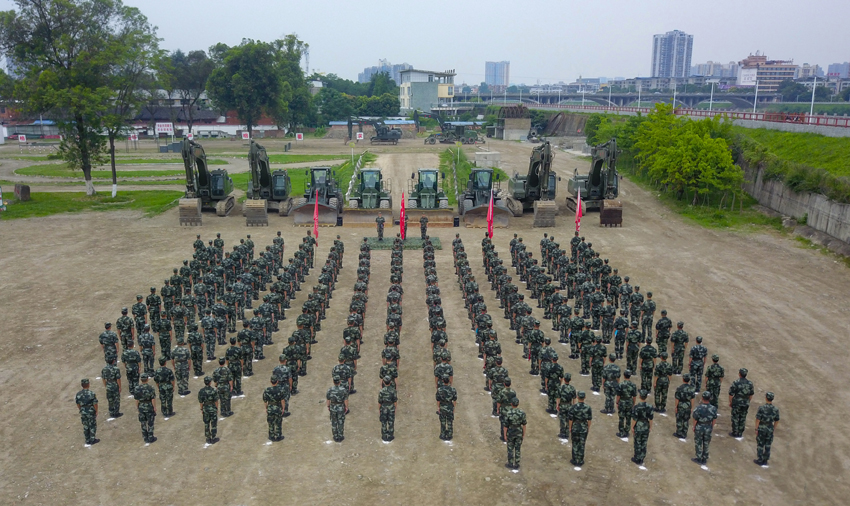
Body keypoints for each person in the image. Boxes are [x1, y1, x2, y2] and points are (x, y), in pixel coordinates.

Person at [692, 391, 718, 465]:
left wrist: (694, 426)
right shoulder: (713, 408)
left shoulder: (698, 408)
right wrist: (711, 426)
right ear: (710, 398)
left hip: (700, 426)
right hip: (708, 426)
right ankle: (705, 458)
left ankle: (699, 457)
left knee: (698, 442)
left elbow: (695, 418)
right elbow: (714, 418)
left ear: (702, 398)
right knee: (706, 443)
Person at [754, 392, 780, 466]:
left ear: (766, 398)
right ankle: (765, 460)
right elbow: (777, 420)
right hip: (770, 428)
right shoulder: (775, 409)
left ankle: (760, 459)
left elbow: (758, 419)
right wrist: (773, 428)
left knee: (760, 444)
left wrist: (756, 428)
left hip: (762, 428)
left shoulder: (761, 408)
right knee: (768, 445)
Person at [568, 391, 593, 467]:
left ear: (577, 397)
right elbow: (589, 419)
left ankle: (575, 459)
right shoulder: (588, 408)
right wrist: (588, 428)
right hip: (584, 427)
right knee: (582, 444)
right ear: (584, 397)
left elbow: (570, 419)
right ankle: (580, 460)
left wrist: (570, 427)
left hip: (575, 426)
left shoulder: (573, 407)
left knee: (575, 443)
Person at [728, 368, 754, 438]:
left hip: (737, 403)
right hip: (745, 403)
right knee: (743, 417)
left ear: (739, 374)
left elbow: (731, 394)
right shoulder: (750, 383)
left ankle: (735, 432)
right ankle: (740, 432)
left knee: (735, 417)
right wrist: (747, 401)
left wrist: (731, 402)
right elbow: (751, 395)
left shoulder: (736, 382)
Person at [631, 390, 654, 466]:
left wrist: (632, 427)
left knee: (637, 442)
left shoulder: (637, 407)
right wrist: (650, 427)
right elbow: (651, 418)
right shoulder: (650, 407)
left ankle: (637, 458)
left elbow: (634, 419)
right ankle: (642, 457)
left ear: (639, 396)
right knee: (644, 443)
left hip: (638, 425)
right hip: (646, 425)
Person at [503, 397, 527, 470]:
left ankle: (510, 463)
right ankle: (517, 463)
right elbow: (524, 424)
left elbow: (505, 426)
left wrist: (505, 435)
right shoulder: (522, 413)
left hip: (511, 432)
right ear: (518, 404)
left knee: (510, 448)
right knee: (517, 448)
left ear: (511, 404)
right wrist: (523, 434)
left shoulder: (508, 413)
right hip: (519, 431)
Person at [134, 373, 157, 443]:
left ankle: (145, 437)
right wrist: (154, 407)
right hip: (149, 406)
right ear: (147, 379)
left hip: (141, 406)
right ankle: (150, 437)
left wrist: (138, 407)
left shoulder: (137, 388)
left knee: (143, 423)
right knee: (150, 423)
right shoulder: (151, 388)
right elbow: (153, 399)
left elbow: (136, 400)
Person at [75, 379, 99, 445]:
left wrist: (81, 409)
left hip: (83, 411)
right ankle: (92, 439)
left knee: (86, 425)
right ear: (88, 384)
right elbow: (95, 403)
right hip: (90, 411)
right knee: (92, 425)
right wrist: (96, 411)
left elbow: (78, 404)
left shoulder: (78, 394)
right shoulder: (91, 393)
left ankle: (87, 439)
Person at [327, 377, 349, 442]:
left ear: (333, 382)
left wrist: (328, 406)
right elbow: (346, 400)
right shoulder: (343, 390)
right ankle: (340, 435)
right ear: (339, 382)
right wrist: (346, 407)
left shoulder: (330, 390)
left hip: (333, 407)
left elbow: (328, 400)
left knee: (334, 421)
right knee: (340, 421)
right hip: (341, 407)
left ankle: (335, 436)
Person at [198, 376, 220, 444]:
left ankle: (208, 437)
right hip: (212, 408)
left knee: (206, 423)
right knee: (213, 424)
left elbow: (201, 402)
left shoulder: (201, 391)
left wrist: (202, 409)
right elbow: (216, 401)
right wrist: (216, 408)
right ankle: (213, 437)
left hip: (205, 408)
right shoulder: (213, 390)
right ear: (210, 382)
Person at [263, 377, 286, 442]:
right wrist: (283, 408)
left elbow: (265, 401)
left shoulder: (267, 390)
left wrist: (266, 408)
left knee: (270, 422)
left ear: (271, 381)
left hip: (270, 407)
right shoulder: (280, 390)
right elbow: (283, 400)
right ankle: (278, 435)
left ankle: (271, 436)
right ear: (277, 381)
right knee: (278, 422)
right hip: (278, 407)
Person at [616, 370, 637, 438]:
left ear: (624, 375)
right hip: (629, 402)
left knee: (621, 417)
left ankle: (621, 432)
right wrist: (633, 403)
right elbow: (634, 396)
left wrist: (617, 402)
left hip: (622, 402)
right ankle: (627, 431)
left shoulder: (621, 385)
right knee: (628, 418)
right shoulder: (633, 385)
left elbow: (618, 395)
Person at [674, 374, 695, 439]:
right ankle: (684, 433)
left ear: (683, 379)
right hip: (688, 405)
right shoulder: (691, 389)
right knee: (686, 419)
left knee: (679, 419)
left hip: (680, 405)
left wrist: (676, 407)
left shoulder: (679, 388)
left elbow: (677, 398)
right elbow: (692, 399)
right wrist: (691, 407)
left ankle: (679, 432)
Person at [436, 375, 457, 441]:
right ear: (449, 381)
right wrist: (453, 408)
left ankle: (443, 434)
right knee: (450, 421)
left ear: (442, 381)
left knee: (443, 421)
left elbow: (438, 400)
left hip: (442, 407)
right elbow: (454, 400)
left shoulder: (439, 390)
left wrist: (439, 408)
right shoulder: (453, 390)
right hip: (450, 407)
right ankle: (450, 435)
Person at [378, 375, 398, 441]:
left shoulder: (381, 391)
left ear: (383, 382)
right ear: (390, 382)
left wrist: (379, 410)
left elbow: (379, 402)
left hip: (383, 407)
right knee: (391, 422)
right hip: (391, 407)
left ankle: (384, 435)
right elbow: (395, 401)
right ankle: (390, 435)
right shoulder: (393, 391)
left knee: (384, 422)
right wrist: (394, 408)